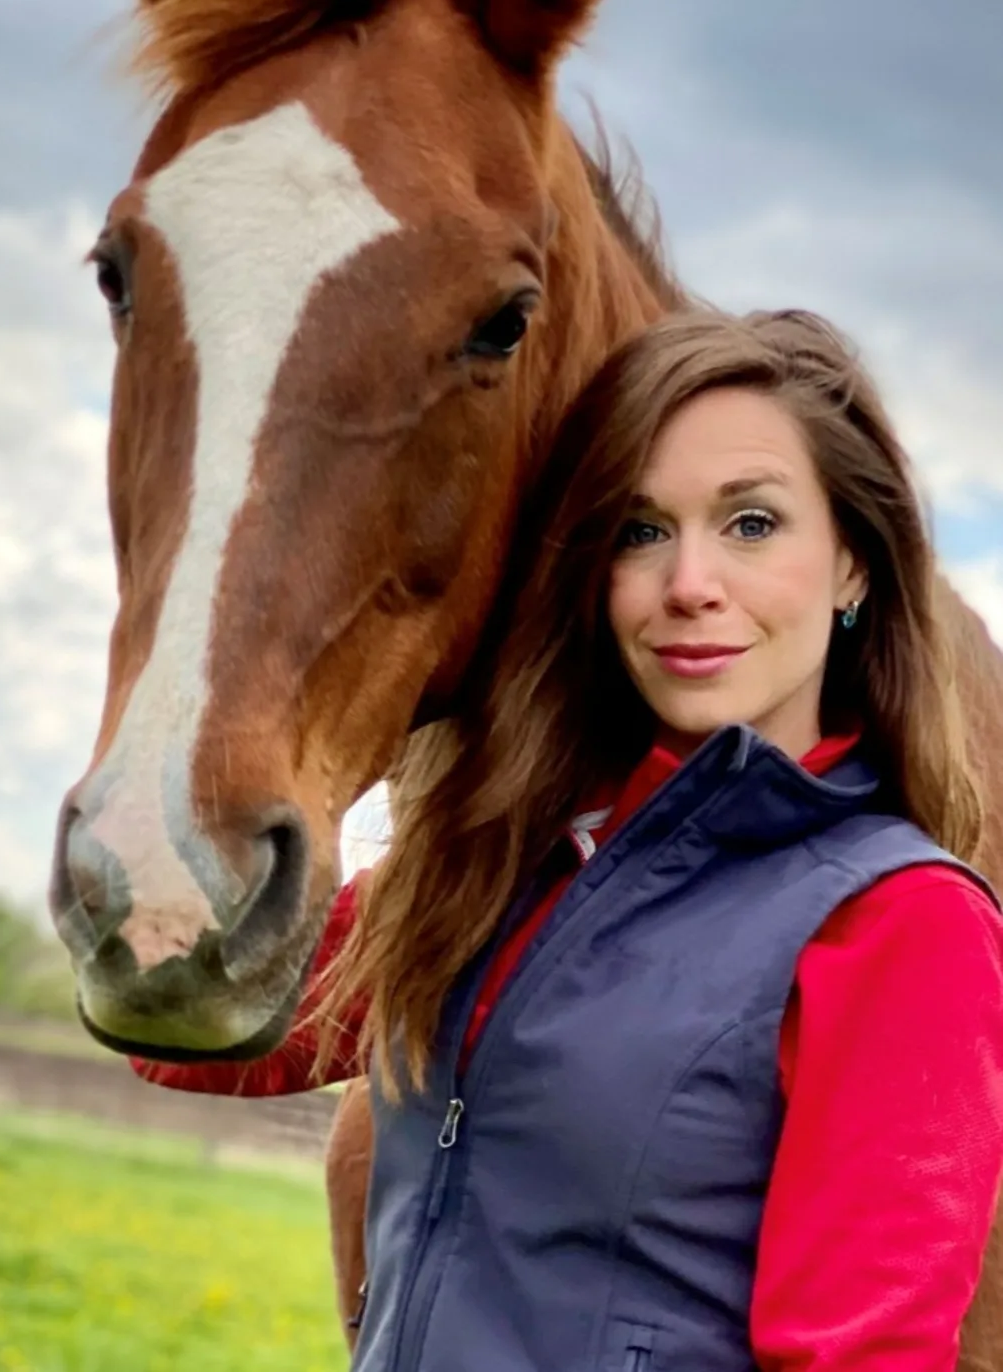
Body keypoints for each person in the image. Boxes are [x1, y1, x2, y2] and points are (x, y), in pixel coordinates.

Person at [132, 308, 1003, 1371]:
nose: (690, 583)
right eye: (641, 530)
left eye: (752, 523)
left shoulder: (898, 922)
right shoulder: (504, 860)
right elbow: (190, 1022)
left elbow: (864, 1356)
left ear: (855, 563)